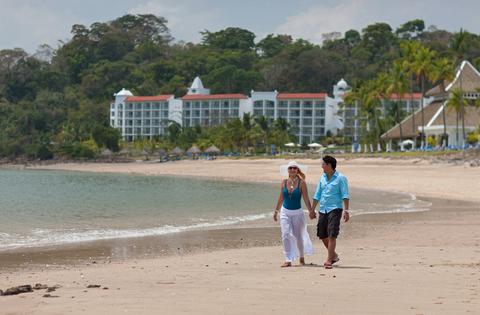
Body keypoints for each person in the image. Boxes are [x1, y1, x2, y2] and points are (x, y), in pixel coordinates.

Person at [274, 161, 316, 267]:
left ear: (297, 170)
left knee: (299, 236)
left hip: (297, 213)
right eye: (290, 168)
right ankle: (288, 259)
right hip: (285, 212)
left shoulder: (302, 183)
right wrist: (276, 211)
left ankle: (301, 257)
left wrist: (311, 211)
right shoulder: (283, 182)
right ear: (287, 170)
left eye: (294, 168)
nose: (292, 169)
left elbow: (306, 198)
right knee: (285, 235)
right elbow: (281, 198)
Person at [311, 155, 350, 269]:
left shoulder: (341, 178)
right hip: (323, 209)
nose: (321, 166)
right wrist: (312, 209)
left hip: (335, 209)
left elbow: (345, 195)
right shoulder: (322, 178)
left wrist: (346, 211)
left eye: (323, 164)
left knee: (332, 234)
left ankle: (329, 259)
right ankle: (333, 255)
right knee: (322, 234)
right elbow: (317, 194)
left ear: (328, 165)